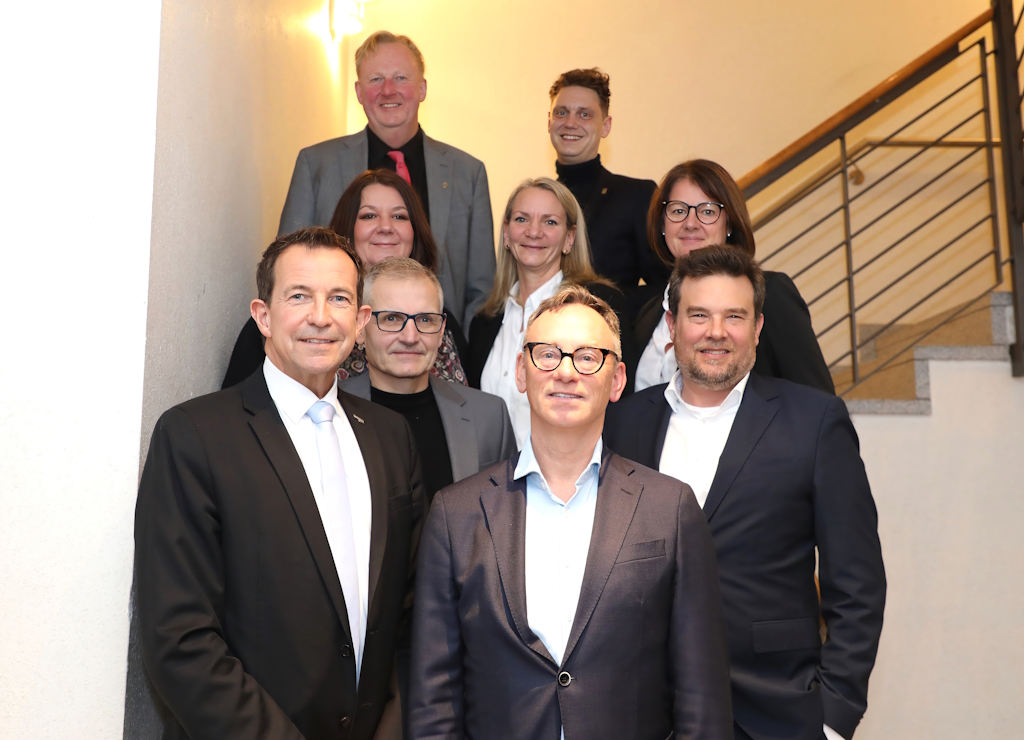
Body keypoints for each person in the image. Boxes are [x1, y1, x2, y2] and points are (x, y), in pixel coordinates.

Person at [136, 227, 425, 740]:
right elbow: (179, 639)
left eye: (339, 298)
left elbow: (412, 613)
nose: (321, 316)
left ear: (361, 321)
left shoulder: (390, 436)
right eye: (299, 296)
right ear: (263, 316)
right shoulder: (195, 436)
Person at [409, 285, 733, 740]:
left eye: (587, 357)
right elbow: (433, 700)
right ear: (521, 372)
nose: (565, 372)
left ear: (617, 380)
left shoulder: (670, 509)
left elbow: (701, 697)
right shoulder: (456, 513)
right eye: (547, 354)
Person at [605, 246, 885, 740]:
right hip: (645, 712)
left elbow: (857, 582)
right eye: (699, 315)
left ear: (757, 328)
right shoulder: (623, 423)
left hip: (775, 712)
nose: (716, 331)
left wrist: (834, 716)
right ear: (672, 326)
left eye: (734, 316)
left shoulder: (815, 422)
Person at [278, 30, 494, 330]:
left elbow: (482, 289)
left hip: (438, 344)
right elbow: (287, 269)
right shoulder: (316, 164)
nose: (388, 90)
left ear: (422, 88)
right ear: (358, 92)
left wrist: (461, 350)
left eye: (400, 78)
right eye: (376, 79)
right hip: (337, 340)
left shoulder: (468, 174)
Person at [223, 169, 468, 388]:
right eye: (369, 216)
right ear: (347, 229)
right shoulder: (281, 319)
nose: (386, 227)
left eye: (399, 217)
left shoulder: (441, 321)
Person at [633, 159, 835, 394]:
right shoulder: (649, 313)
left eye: (707, 211)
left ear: (729, 224)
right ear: (662, 224)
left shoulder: (771, 294)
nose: (690, 223)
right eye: (678, 211)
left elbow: (816, 399)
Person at [466, 177, 634, 447]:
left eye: (550, 222)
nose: (534, 232)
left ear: (569, 237)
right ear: (506, 233)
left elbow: (622, 408)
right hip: (496, 472)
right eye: (522, 219)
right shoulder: (484, 321)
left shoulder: (599, 306)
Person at [341, 257, 516, 501]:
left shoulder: (489, 417)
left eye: (425, 319)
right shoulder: (328, 411)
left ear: (441, 330)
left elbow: (508, 512)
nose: (410, 337)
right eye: (392, 318)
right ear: (360, 328)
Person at [549, 68, 670, 314]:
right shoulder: (538, 203)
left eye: (584, 114)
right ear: (549, 122)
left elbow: (665, 286)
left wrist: (600, 304)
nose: (570, 122)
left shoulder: (637, 196)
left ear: (605, 126)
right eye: (561, 112)